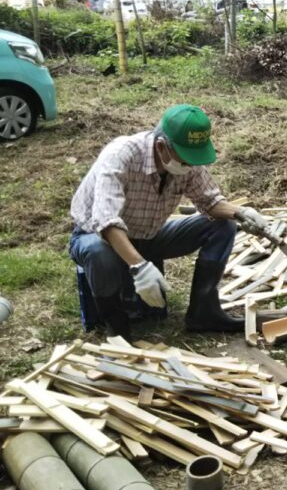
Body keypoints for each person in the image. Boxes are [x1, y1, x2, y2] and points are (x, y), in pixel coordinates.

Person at [69, 105, 269, 339]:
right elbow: (106, 222)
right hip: (98, 237)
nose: (189, 166)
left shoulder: (187, 162)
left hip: (149, 235)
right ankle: (116, 326)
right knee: (98, 252)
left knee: (222, 224)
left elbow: (210, 201)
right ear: (162, 146)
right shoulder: (121, 155)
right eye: (185, 160)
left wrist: (241, 212)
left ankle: (203, 313)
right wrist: (140, 267)